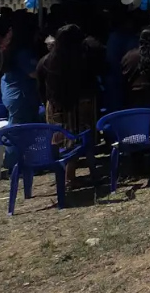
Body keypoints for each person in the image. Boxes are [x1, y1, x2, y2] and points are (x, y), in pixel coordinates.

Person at [37, 24, 100, 182]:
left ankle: (62, 173)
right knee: (82, 138)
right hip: (82, 104)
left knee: (60, 139)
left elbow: (40, 87)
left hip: (56, 106)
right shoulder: (85, 59)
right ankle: (80, 174)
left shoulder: (46, 61)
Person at [0, 13, 42, 124]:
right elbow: (34, 73)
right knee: (21, 129)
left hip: (11, 92)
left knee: (18, 126)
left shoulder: (11, 47)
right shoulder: (23, 52)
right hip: (22, 96)